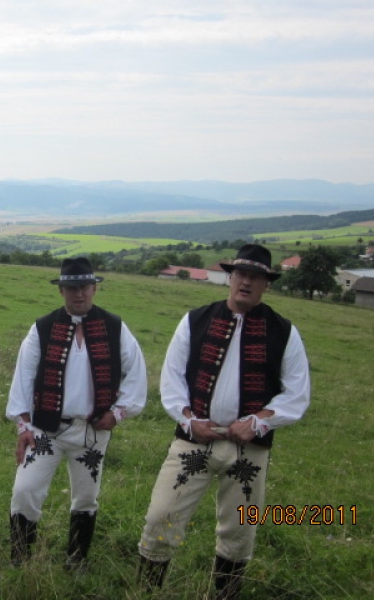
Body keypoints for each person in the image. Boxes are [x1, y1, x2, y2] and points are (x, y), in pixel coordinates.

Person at [138, 244, 311, 599]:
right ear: (230, 278)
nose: (246, 282)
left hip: (249, 448)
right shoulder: (195, 320)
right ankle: (147, 592)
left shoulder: (284, 332)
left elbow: (297, 393)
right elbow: (171, 379)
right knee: (161, 516)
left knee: (239, 530)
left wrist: (259, 421)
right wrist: (189, 420)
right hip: (194, 440)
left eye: (256, 277)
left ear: (266, 284)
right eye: (241, 275)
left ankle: (224, 595)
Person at [6, 257, 148, 570]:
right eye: (71, 288)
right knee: (25, 490)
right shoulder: (43, 328)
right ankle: (20, 559)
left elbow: (136, 374)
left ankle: (76, 560)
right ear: (61, 291)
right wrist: (23, 425)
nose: (78, 294)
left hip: (91, 432)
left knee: (86, 498)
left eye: (84, 287)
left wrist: (118, 413)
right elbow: (24, 378)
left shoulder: (114, 327)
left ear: (94, 288)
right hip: (46, 430)